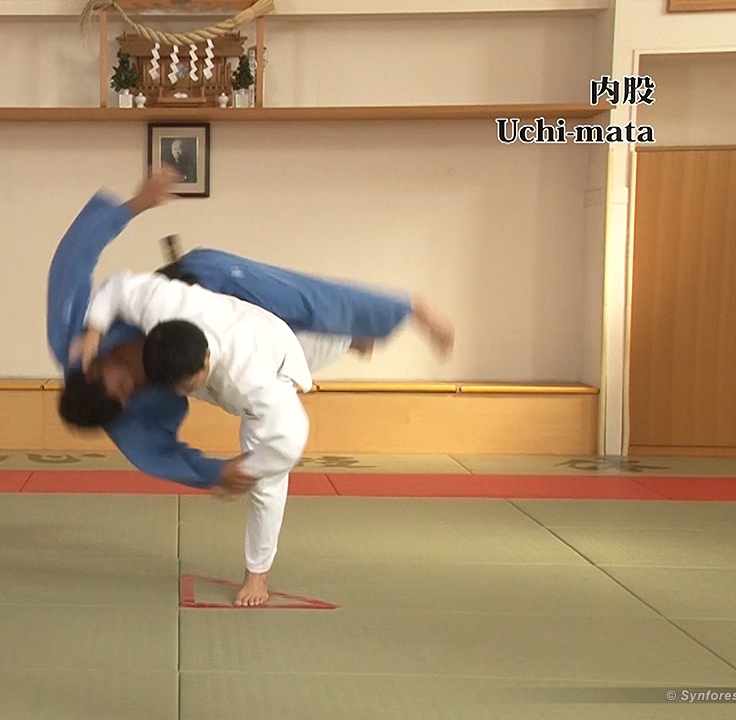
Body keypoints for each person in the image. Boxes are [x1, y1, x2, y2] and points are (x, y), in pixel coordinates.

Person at [45, 167, 455, 605]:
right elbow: (160, 457)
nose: (133, 389)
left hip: (210, 281)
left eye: (122, 383)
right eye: (128, 398)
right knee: (285, 365)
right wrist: (217, 473)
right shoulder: (131, 412)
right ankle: (348, 338)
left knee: (308, 301)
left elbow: (74, 257)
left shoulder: (76, 335)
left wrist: (135, 205)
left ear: (91, 368)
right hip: (218, 359)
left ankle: (404, 308)